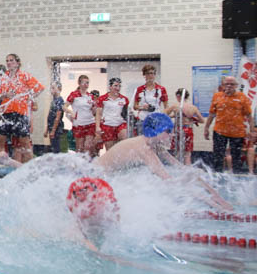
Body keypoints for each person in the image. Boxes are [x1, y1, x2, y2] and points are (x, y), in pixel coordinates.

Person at [97, 113, 231, 208]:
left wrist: (217, 197)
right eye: (168, 131)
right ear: (156, 131)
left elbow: (183, 169)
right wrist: (213, 205)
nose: (172, 134)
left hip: (104, 177)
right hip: (94, 176)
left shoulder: (155, 145)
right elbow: (169, 181)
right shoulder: (143, 148)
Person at [0, 53, 44, 163]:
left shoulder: (24, 76)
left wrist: (28, 97)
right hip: (5, 113)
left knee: (24, 143)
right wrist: (5, 95)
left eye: (11, 60)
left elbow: (40, 88)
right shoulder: (3, 77)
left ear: (18, 63)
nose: (8, 62)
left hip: (20, 113)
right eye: (7, 60)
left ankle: (29, 167)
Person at [204, 76, 252, 173]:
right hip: (219, 131)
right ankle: (217, 176)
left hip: (237, 133)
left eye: (232, 84)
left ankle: (236, 177)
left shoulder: (242, 97)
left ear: (236, 86)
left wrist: (252, 131)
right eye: (227, 84)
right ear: (223, 85)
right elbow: (212, 114)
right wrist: (206, 128)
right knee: (218, 156)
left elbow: (249, 116)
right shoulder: (217, 96)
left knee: (236, 158)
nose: (229, 86)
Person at [67, 177, 120, 253]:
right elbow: (78, 226)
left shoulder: (105, 197)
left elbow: (115, 210)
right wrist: (87, 243)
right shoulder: (77, 205)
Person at [164, 87, 203, 165]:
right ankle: (187, 169)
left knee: (177, 151)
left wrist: (174, 115)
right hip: (188, 130)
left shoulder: (175, 106)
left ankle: (176, 168)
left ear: (178, 96)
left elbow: (164, 114)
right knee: (187, 153)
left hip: (178, 130)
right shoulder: (193, 107)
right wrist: (193, 119)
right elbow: (202, 120)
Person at [65, 75, 98, 157]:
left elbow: (93, 111)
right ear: (79, 83)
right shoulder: (74, 94)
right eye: (84, 82)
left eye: (87, 83)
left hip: (90, 123)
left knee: (88, 146)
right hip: (79, 124)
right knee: (79, 148)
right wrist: (71, 112)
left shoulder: (90, 96)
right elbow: (64, 107)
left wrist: (96, 108)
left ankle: (87, 163)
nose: (86, 84)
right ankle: (79, 163)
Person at [96, 77, 130, 151]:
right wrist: (97, 127)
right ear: (110, 87)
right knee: (110, 150)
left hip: (120, 124)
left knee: (124, 137)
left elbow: (127, 113)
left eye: (119, 86)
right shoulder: (102, 98)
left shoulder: (124, 99)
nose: (118, 88)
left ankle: (124, 156)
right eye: (115, 86)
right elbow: (98, 114)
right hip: (107, 125)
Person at [132, 63, 168, 132]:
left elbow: (166, 107)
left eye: (152, 73)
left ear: (155, 75)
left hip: (156, 119)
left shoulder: (161, 89)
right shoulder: (139, 89)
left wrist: (164, 118)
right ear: (144, 75)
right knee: (142, 138)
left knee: (156, 138)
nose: (150, 76)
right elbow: (135, 106)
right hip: (142, 119)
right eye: (148, 74)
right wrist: (143, 107)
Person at [46, 83, 66, 153]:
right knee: (53, 147)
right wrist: (47, 129)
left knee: (56, 148)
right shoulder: (53, 100)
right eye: (51, 88)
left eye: (53, 88)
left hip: (56, 128)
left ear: (59, 89)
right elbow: (49, 115)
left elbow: (58, 116)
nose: (51, 90)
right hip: (51, 126)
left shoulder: (60, 100)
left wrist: (53, 130)